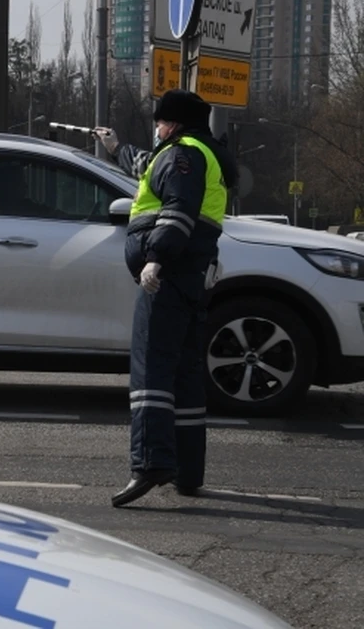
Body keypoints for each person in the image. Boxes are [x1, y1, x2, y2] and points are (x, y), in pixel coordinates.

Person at [93, 89, 240, 508]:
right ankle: (188, 473)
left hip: (167, 276)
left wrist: (155, 258)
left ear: (172, 124)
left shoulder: (182, 156)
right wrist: (116, 148)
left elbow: (178, 208)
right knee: (184, 376)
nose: (156, 129)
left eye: (159, 123)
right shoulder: (193, 153)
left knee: (151, 372)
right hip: (190, 276)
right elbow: (148, 169)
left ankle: (151, 462)